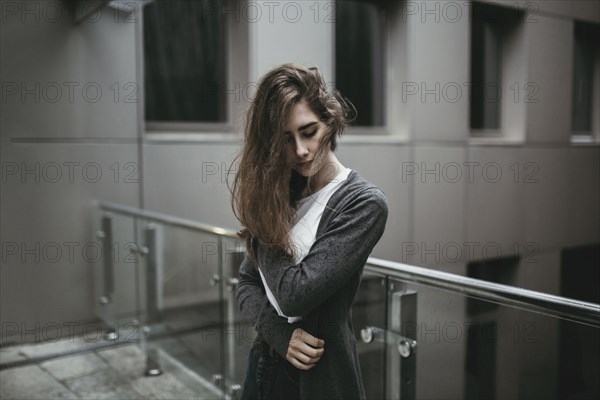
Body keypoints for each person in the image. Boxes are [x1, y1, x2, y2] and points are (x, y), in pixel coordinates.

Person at [230, 63, 389, 400]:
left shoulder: (362, 203)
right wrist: (278, 334)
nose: (300, 150)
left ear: (329, 122)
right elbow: (246, 283)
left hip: (316, 380)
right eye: (285, 140)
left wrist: (262, 206)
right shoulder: (282, 191)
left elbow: (293, 295)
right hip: (263, 365)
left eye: (309, 131)